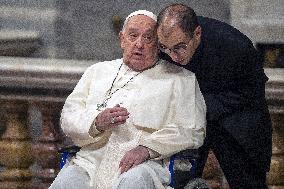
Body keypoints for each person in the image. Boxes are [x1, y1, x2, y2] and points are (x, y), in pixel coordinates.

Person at [49, 10, 206, 189]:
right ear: (122, 39)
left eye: (148, 38)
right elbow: (68, 117)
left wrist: (147, 149)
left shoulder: (181, 79)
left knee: (134, 182)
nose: (139, 44)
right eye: (133, 36)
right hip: (91, 162)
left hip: (148, 165)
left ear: (158, 45)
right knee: (66, 181)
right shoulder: (97, 72)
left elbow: (192, 130)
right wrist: (97, 122)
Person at [157, 3, 272, 189]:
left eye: (179, 47)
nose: (172, 56)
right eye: (165, 48)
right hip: (187, 125)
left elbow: (253, 90)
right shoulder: (164, 46)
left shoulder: (236, 45)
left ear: (197, 33)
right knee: (176, 182)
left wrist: (201, 104)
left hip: (236, 122)